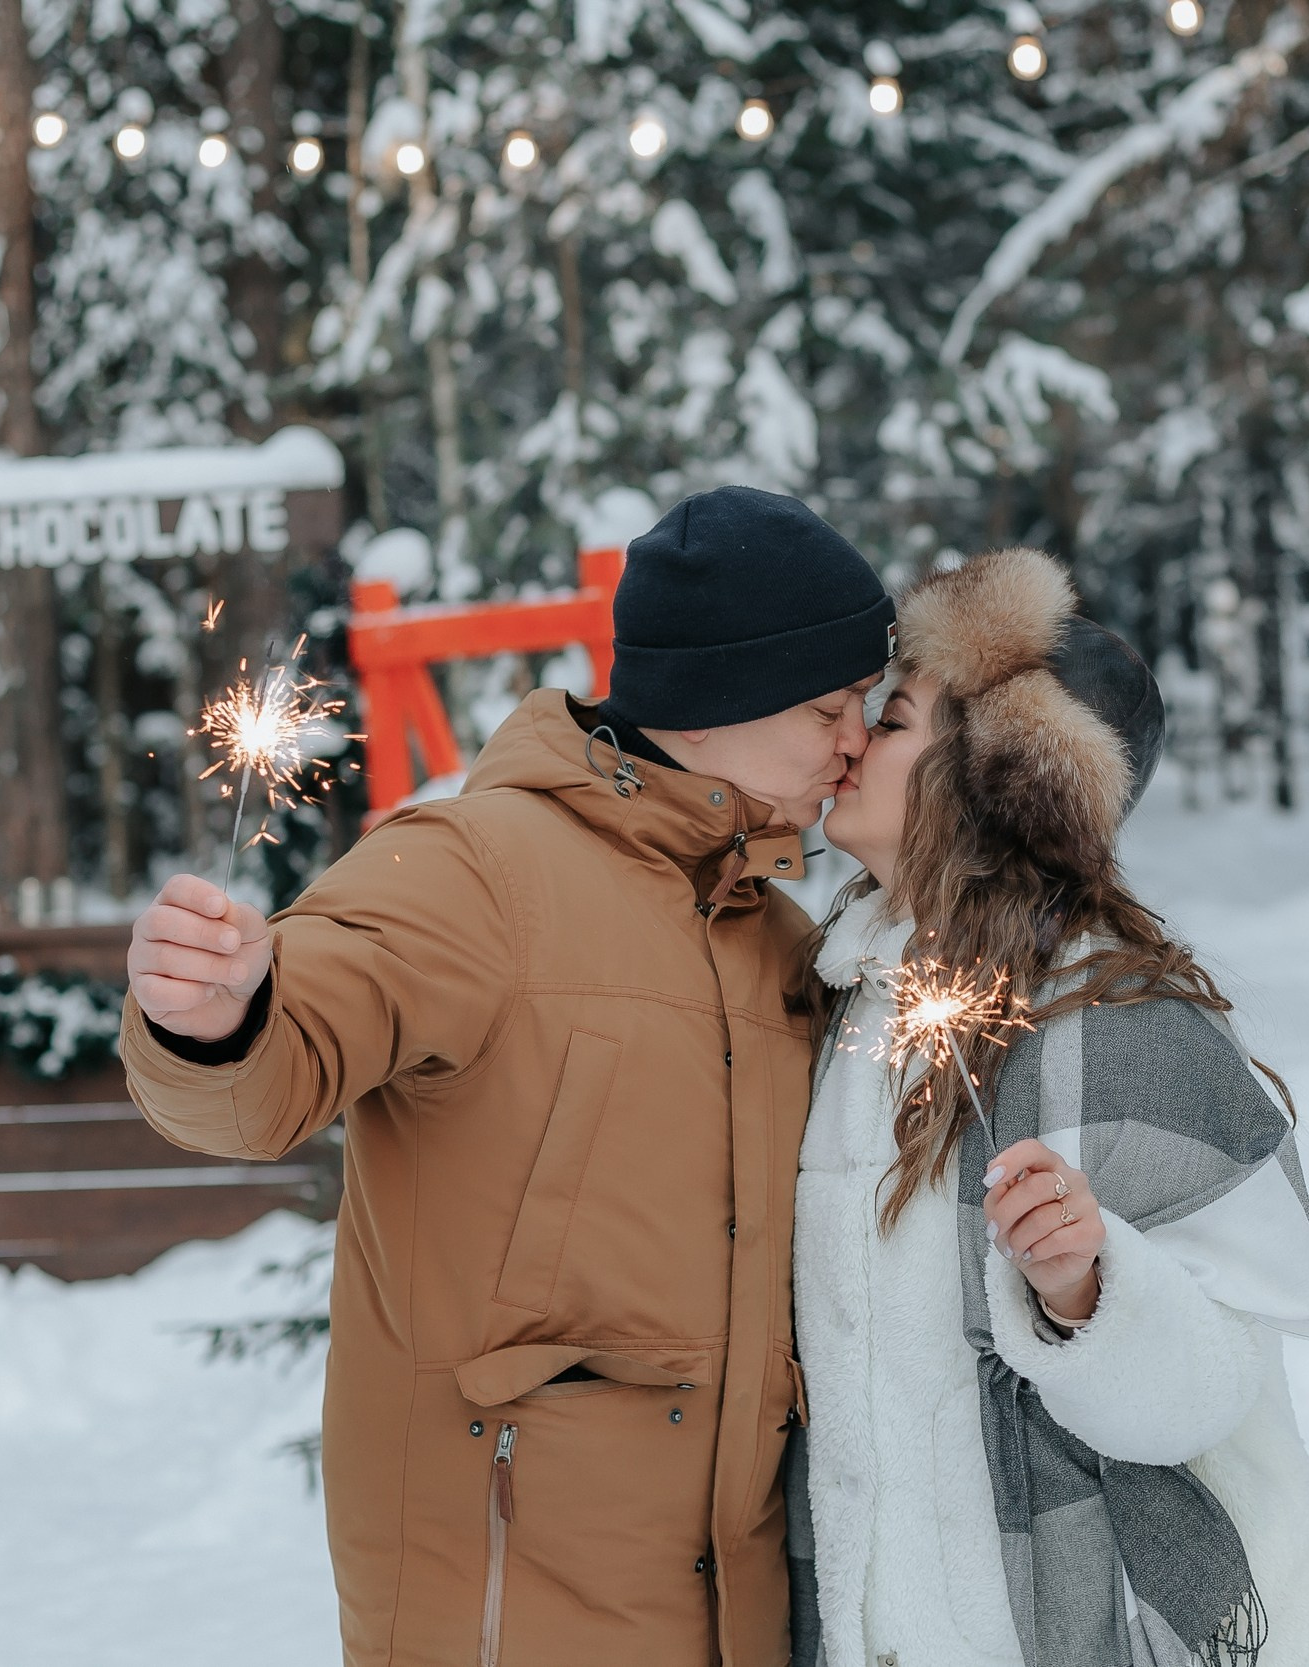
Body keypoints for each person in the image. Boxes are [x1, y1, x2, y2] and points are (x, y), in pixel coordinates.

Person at [121, 485, 895, 1667]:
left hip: (728, 1614)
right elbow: (277, 1067)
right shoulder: (475, 870)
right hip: (501, 1607)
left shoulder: (781, 945)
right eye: (829, 706)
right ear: (712, 703)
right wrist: (218, 1020)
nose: (855, 740)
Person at [792, 546, 1309, 1667]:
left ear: (991, 783)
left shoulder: (1118, 1024)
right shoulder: (843, 1001)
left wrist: (1089, 1290)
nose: (851, 738)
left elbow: (1207, 1402)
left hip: (1077, 1621)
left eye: (892, 719)